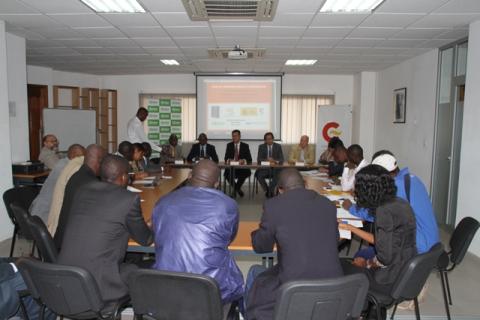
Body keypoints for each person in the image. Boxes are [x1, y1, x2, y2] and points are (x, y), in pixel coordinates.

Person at [246, 168, 343, 320]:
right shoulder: (328, 204)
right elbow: (336, 239)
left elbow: (261, 247)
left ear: (280, 190)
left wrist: (256, 233)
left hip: (293, 287)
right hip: (333, 286)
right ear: (305, 184)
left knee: (255, 274)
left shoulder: (273, 206)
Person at [57, 155, 153, 302]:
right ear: (122, 177)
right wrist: (153, 224)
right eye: (128, 175)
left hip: (64, 280)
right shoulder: (128, 199)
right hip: (98, 286)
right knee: (138, 271)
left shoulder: (82, 191)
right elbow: (146, 240)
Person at [152, 159, 243, 304]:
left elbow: (156, 235)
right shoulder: (227, 205)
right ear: (217, 184)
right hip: (211, 289)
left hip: (166, 285)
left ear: (189, 175)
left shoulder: (163, 201)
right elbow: (229, 238)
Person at [339, 165, 416, 304]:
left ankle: (358, 311)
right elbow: (386, 242)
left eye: (358, 187)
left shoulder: (383, 212)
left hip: (389, 280)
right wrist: (350, 227)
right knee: (356, 258)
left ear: (368, 189)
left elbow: (385, 258)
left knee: (339, 265)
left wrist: (367, 264)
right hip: (406, 271)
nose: (355, 190)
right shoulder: (401, 203)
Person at [343, 151, 439, 254]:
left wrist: (351, 208)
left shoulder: (396, 188)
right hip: (432, 241)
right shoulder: (411, 179)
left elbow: (377, 215)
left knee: (364, 255)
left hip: (418, 246)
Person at [53, 144, 106, 249]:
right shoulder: (91, 184)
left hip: (63, 240)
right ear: (99, 161)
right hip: (73, 247)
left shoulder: (79, 176)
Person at [30, 144, 85, 224]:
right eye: (81, 157)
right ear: (73, 155)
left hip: (45, 210)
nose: (83, 160)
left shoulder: (64, 162)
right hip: (45, 215)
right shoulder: (65, 168)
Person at [224, 129, 252, 197]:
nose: (234, 137)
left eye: (236, 136)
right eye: (233, 136)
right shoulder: (229, 145)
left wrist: (243, 161)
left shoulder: (245, 146)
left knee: (245, 173)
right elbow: (226, 158)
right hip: (232, 168)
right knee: (226, 174)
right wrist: (229, 160)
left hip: (242, 168)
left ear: (239, 136)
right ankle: (238, 189)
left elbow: (249, 159)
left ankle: (235, 190)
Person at [255, 132, 284, 197]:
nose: (269, 140)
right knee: (259, 175)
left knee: (277, 175)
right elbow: (259, 159)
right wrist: (267, 160)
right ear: (265, 140)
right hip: (265, 168)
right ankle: (267, 190)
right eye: (267, 139)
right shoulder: (261, 147)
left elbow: (281, 159)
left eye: (270, 139)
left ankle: (270, 191)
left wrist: (274, 160)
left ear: (273, 139)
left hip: (275, 168)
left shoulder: (278, 146)